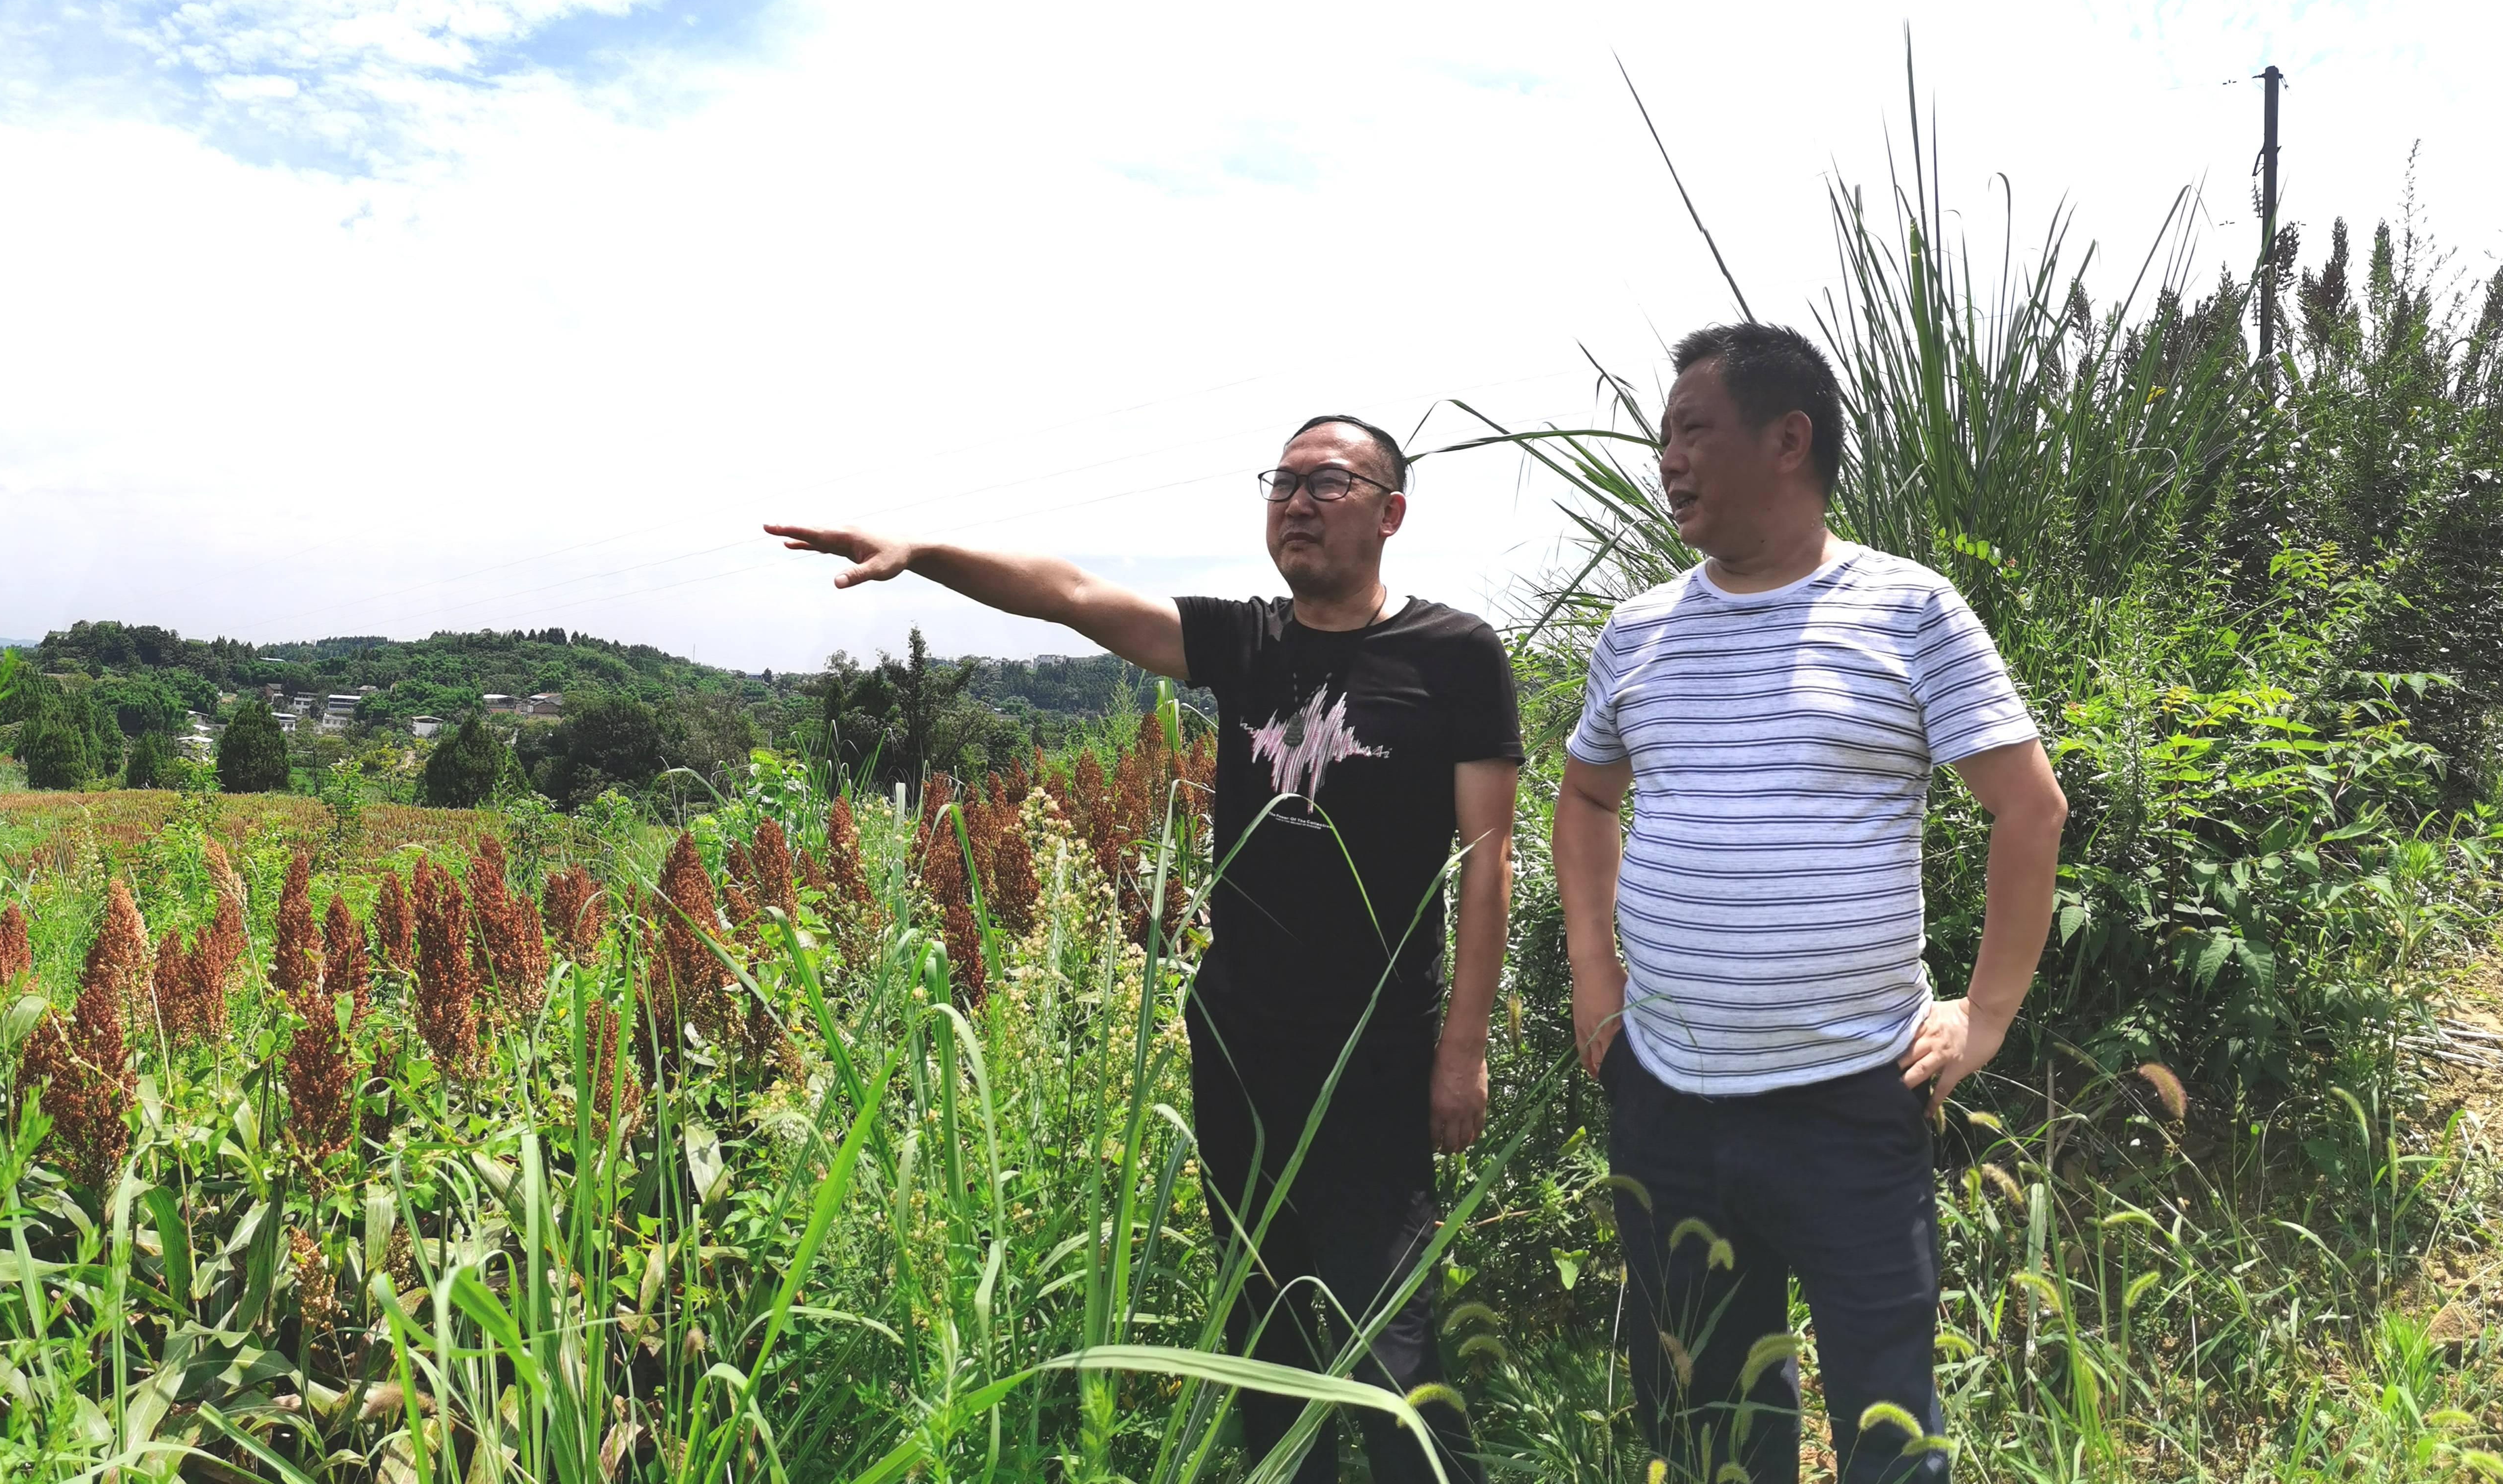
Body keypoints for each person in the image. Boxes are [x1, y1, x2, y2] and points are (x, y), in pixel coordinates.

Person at [768, 413, 1508, 1481]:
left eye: (1326, 483)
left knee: (1389, 1337)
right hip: (1240, 1043)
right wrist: (921, 555)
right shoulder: (1247, 642)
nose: (1294, 502)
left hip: (1377, 1058)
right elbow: (1070, 595)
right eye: (1280, 482)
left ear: (1390, 512)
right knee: (1262, 1325)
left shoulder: (1451, 655)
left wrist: (1462, 1048)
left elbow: (1488, 860)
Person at [1555, 322, 2067, 1483]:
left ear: (1787, 440)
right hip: (1666, 1101)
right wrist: (1597, 981)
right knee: (1712, 1431)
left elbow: (2027, 809)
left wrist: (1982, 1017)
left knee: (1888, 1424)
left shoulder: (1908, 611)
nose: (1667, 458)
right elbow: (1583, 799)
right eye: (1662, 434)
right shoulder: (1636, 633)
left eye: (1691, 430)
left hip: (1850, 1099)